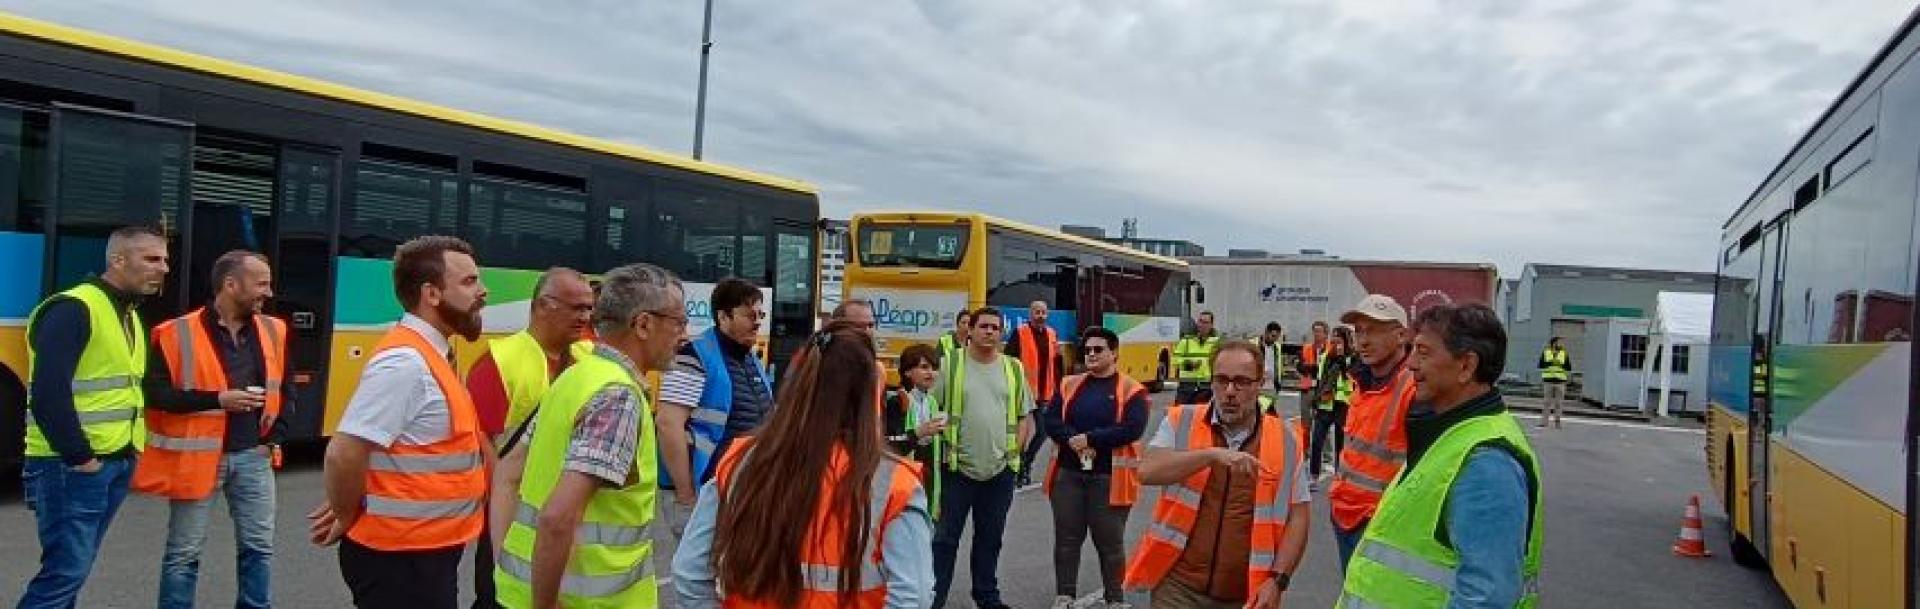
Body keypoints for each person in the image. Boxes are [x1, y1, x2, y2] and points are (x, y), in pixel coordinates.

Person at [672, 321, 936, 608]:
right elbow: (914, 597)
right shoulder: (892, 480)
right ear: (869, 393)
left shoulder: (742, 460)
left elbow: (690, 573)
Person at [491, 263, 685, 609]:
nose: (684, 335)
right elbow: (556, 517)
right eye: (678, 323)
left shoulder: (575, 376)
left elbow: (507, 474)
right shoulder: (618, 396)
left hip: (516, 594)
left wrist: (506, 567)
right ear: (643, 324)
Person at [312, 236, 490, 608]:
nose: (483, 292)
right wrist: (347, 511)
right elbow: (343, 453)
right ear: (432, 293)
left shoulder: (430, 353)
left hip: (422, 551)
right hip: (401, 559)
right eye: (469, 282)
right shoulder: (407, 363)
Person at [1337, 304, 1542, 608]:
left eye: (1423, 352)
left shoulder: (1486, 460)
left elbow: (1486, 597)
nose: (1411, 365)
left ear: (1466, 367)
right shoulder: (1449, 434)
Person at [17, 225, 170, 608]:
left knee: (70, 572)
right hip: (70, 467)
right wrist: (80, 457)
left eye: (165, 259)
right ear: (118, 260)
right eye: (152, 258)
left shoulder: (128, 314)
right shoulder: (74, 308)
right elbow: (49, 393)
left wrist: (126, 454)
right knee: (64, 574)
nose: (164, 268)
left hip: (112, 460)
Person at [133, 250, 289, 609]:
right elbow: (155, 394)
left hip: (254, 456)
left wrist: (274, 438)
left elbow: (287, 388)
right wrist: (218, 400)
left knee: (258, 548)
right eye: (261, 283)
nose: (268, 291)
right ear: (231, 285)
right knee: (183, 553)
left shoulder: (273, 330)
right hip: (199, 459)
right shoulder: (174, 333)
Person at [1122, 340, 1311, 609]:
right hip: (1178, 588)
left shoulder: (1285, 439)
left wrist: (1277, 580)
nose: (1229, 392)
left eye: (1241, 382)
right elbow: (1147, 470)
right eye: (1221, 380)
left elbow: (1298, 515)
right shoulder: (1181, 420)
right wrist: (1210, 455)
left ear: (1260, 384)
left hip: (1245, 593)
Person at [463, 267, 593, 609]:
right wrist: (501, 521)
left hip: (566, 517)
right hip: (510, 516)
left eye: (589, 308)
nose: (585, 317)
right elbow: (480, 443)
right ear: (541, 306)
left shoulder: (588, 359)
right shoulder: (499, 361)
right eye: (576, 308)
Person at [930, 307, 1031, 609]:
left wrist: (1016, 451)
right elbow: (930, 408)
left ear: (1002, 333)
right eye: (983, 326)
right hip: (956, 469)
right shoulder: (951, 365)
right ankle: (934, 598)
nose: (989, 332)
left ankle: (987, 597)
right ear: (969, 330)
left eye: (995, 328)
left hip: (1000, 471)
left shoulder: (1013, 368)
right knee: (945, 541)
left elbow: (1024, 415)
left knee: (990, 539)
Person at [1041, 327, 1149, 609]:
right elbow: (1051, 420)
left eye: (1098, 350)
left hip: (1108, 478)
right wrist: (1073, 442)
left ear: (1113, 353)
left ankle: (1115, 598)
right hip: (1068, 475)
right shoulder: (1069, 384)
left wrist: (1091, 439)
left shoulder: (1132, 390)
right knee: (1066, 539)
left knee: (1110, 543)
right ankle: (1064, 595)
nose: (1090, 354)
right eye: (1086, 350)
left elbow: (1131, 429)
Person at [658, 278, 775, 534]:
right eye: (748, 314)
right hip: (706, 490)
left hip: (744, 488)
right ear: (723, 317)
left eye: (760, 314)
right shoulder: (693, 356)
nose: (757, 321)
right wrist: (686, 495)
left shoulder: (750, 360)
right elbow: (668, 424)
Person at [1328, 295, 1416, 571]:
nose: (1363, 340)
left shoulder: (1413, 389)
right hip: (1345, 513)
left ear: (1400, 335)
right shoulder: (1362, 381)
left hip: (1382, 523)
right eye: (1359, 331)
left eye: (1374, 330)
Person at [1007, 300, 1063, 488]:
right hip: (1023, 391)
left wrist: (1059, 389)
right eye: (1037, 312)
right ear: (1030, 314)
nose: (1040, 316)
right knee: (1021, 432)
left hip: (1044, 393)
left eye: (1043, 312)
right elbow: (1009, 361)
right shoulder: (1020, 333)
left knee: (1043, 431)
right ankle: (1018, 470)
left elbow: (1057, 365)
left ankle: (1026, 463)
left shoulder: (1052, 334)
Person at [884, 344, 945, 480]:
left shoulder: (932, 401)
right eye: (924, 367)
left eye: (934, 368)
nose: (931, 372)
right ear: (907, 371)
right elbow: (889, 445)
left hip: (926, 475)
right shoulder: (897, 400)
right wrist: (918, 433)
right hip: (900, 478)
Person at [1309, 327, 1356, 485]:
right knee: (1316, 441)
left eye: (1339, 341)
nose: (1336, 345)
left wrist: (1344, 362)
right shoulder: (1325, 357)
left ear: (1345, 342)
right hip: (1325, 403)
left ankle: (1339, 475)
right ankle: (1314, 475)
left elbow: (1353, 380)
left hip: (1343, 405)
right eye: (1333, 341)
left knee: (1340, 445)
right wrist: (1316, 399)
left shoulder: (1353, 358)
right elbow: (1321, 380)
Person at [1172, 311, 1221, 404]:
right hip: (1186, 388)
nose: (1202, 325)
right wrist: (1189, 365)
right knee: (1179, 415)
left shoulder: (1217, 343)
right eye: (1200, 321)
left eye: (1205, 322)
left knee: (1203, 416)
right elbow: (1174, 361)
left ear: (1211, 325)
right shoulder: (1186, 340)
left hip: (1206, 388)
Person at [1297, 321, 1330, 425]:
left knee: (1323, 423)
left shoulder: (1330, 349)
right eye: (1315, 331)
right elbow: (1300, 367)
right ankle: (1305, 441)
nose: (1316, 334)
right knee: (1305, 422)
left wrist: (1311, 367)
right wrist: (1315, 367)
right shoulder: (1306, 348)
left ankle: (1322, 441)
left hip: (1323, 388)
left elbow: (1330, 369)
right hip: (1307, 387)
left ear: (1326, 334)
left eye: (1319, 331)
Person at [1537, 337, 1571, 429]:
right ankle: (1544, 422)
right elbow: (1540, 365)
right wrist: (1552, 363)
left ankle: (1557, 422)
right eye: (1559, 342)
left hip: (1560, 382)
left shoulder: (1564, 353)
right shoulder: (1546, 352)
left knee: (1558, 403)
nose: (1561, 344)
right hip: (1548, 381)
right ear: (1553, 343)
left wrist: (1566, 379)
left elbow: (1568, 368)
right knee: (1546, 402)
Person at [1259, 322, 1285, 396]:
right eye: (1273, 336)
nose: (1275, 339)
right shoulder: (1255, 345)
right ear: (1266, 332)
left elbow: (1278, 365)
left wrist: (1278, 382)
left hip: (1272, 385)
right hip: (1259, 384)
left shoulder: (1277, 347)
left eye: (1277, 337)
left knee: (1270, 406)